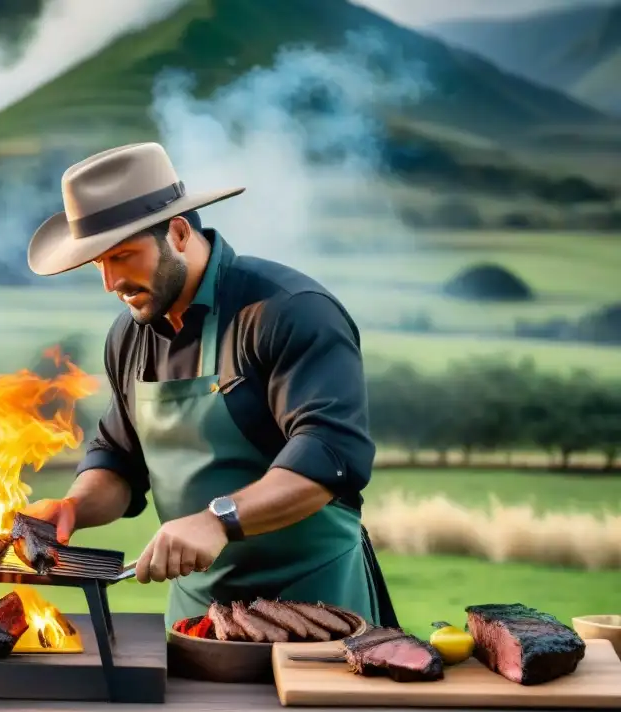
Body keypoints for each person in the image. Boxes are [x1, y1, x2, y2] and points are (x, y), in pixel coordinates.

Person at [23, 142, 398, 629]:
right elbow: (119, 460)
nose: (110, 281)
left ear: (178, 232)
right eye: (98, 264)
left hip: (320, 611)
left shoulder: (288, 311)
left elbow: (328, 459)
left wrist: (216, 519)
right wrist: (73, 507)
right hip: (196, 621)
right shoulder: (129, 337)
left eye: (123, 256)